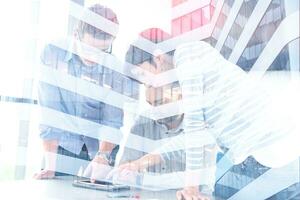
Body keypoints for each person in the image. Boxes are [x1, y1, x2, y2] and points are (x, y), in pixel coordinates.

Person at [34, 4, 130, 179]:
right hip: (62, 145)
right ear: (75, 35)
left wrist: (102, 156)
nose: (94, 57)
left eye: (102, 51)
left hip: (102, 148)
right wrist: (50, 167)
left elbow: (112, 121)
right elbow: (50, 112)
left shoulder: (115, 69)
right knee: (54, 189)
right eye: (88, 49)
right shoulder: (52, 53)